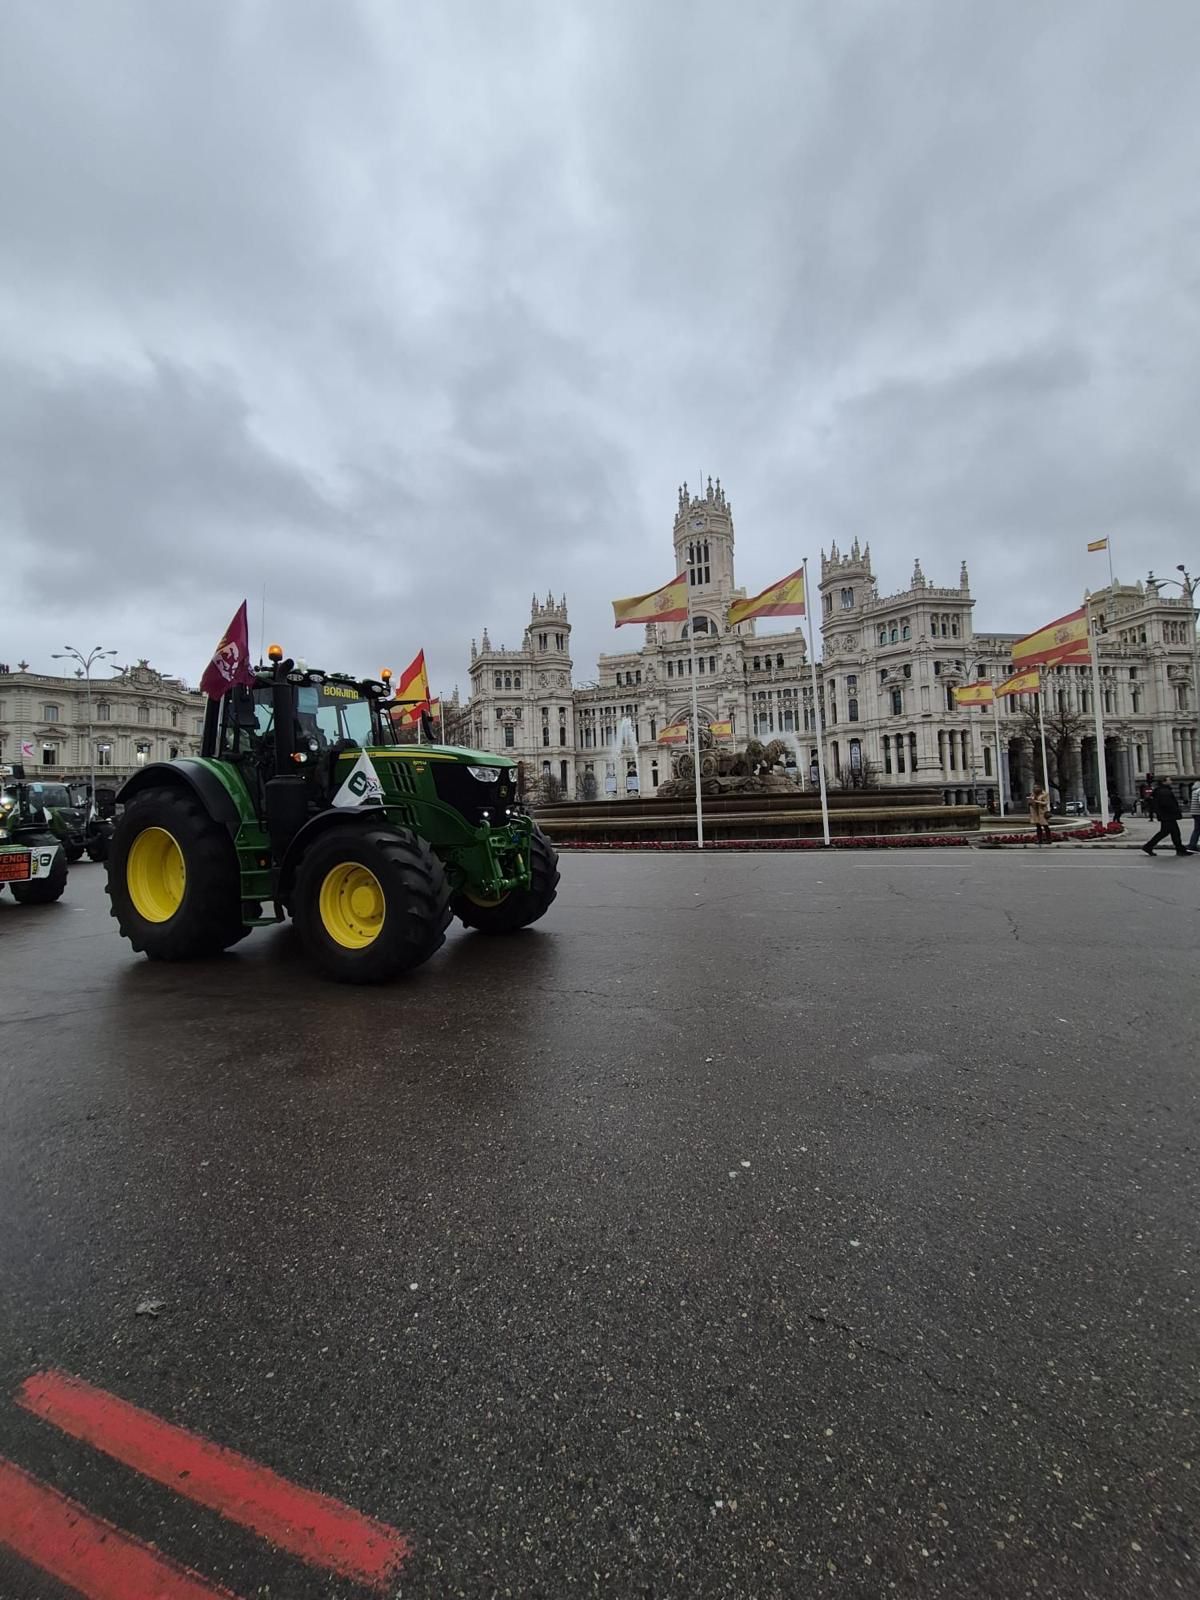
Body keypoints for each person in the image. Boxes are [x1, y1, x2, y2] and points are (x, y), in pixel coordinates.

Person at [1142, 778, 1191, 857]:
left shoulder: (1162, 790)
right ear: (1164, 782)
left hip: (1166, 815)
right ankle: (1148, 846)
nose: (1171, 781)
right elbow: (1167, 804)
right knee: (1165, 832)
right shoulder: (1164, 791)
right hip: (1168, 815)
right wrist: (1175, 811)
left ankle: (1180, 849)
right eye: (1169, 780)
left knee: (1174, 832)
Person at [1188, 778, 1200, 852]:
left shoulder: (1194, 791)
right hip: (1199, 813)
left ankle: (1192, 845)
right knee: (1197, 830)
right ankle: (1192, 846)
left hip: (1195, 812)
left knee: (1197, 830)